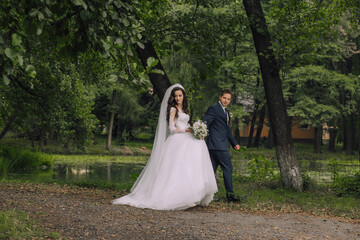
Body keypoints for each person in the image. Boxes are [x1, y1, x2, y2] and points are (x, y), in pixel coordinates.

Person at [112, 83, 217, 210]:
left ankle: (191, 195)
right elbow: (172, 128)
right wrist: (186, 130)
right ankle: (174, 196)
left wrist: (194, 129)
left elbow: (185, 122)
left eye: (180, 95)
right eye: (176, 96)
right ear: (173, 97)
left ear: (183, 96)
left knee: (189, 166)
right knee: (175, 169)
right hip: (177, 140)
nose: (178, 98)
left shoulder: (184, 109)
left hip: (187, 138)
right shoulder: (173, 109)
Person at [203, 89, 245, 203]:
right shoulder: (214, 109)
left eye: (228, 99)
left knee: (210, 171)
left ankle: (205, 196)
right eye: (224, 98)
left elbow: (226, 130)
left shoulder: (226, 112)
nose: (226, 100)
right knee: (227, 168)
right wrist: (201, 133)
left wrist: (234, 143)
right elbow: (205, 122)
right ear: (220, 97)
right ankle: (230, 195)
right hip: (217, 145)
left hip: (215, 145)